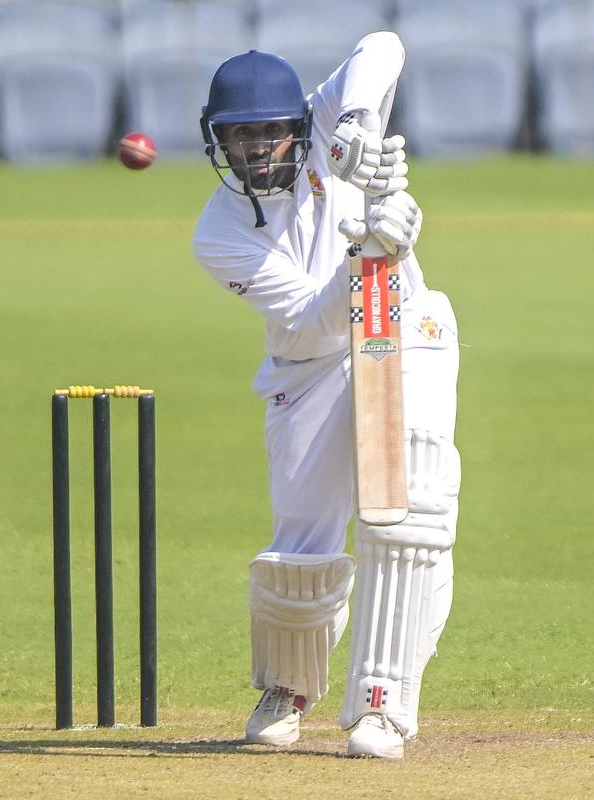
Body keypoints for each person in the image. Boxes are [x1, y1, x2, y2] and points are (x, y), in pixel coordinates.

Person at [193, 31, 461, 760]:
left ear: (297, 125)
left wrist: (354, 130)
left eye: (270, 133)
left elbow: (385, 46)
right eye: (239, 135)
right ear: (218, 139)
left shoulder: (324, 120)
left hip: (406, 327)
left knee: (411, 511)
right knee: (303, 546)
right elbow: (313, 321)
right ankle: (289, 684)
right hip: (309, 362)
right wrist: (371, 246)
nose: (256, 149)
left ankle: (383, 703)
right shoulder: (218, 233)